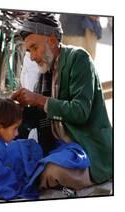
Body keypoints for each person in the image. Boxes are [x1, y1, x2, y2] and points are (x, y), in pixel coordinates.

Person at [12, 13, 112, 190]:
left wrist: (38, 99)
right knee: (16, 157)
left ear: (51, 41)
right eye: (29, 51)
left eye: (34, 48)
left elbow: (80, 112)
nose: (32, 57)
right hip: (58, 146)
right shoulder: (46, 69)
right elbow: (43, 113)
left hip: (84, 146)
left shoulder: (79, 59)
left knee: (52, 172)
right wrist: (18, 109)